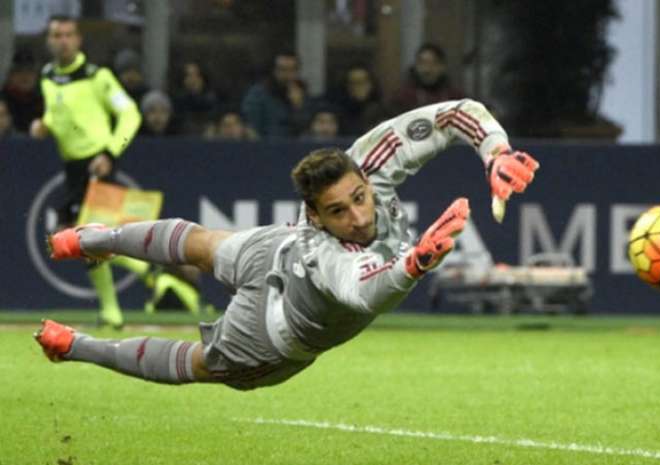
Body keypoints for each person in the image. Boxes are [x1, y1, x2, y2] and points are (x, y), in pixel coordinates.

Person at [35, 99, 539, 390]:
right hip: (273, 327)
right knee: (200, 359)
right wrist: (415, 263)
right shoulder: (326, 251)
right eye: (339, 211)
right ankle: (86, 284)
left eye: (360, 198)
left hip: (283, 285)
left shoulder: (367, 159)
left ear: (364, 176)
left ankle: (81, 293)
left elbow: (457, 114)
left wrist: (495, 153)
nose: (360, 217)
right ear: (314, 215)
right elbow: (365, 293)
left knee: (206, 244)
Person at [29, 16, 142, 328]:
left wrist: (111, 152)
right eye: (56, 35)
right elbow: (57, 114)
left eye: (68, 35)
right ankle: (145, 277)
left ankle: (114, 307)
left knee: (84, 236)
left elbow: (130, 114)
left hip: (98, 162)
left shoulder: (97, 76)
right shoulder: (48, 75)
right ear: (49, 40)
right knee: (77, 238)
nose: (62, 40)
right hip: (72, 167)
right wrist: (45, 125)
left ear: (78, 39)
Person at [241, 51, 311, 138]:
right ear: (274, 71)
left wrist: (298, 107)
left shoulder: (302, 94)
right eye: (283, 70)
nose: (287, 75)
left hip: (296, 147)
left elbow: (305, 129)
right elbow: (252, 127)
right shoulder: (258, 94)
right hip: (266, 146)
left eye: (292, 70)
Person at [392, 43, 465, 114]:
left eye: (433, 63)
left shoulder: (455, 98)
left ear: (442, 66)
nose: (427, 69)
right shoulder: (402, 97)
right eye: (422, 63)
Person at [331, 64, 388, 136]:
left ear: (372, 84)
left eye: (362, 82)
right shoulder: (337, 113)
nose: (358, 87)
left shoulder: (383, 111)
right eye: (353, 83)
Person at [1, 49, 44, 133]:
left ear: (36, 75)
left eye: (29, 71)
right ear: (11, 75)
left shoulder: (43, 99)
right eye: (19, 71)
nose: (25, 76)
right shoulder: (3, 99)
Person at [173, 61, 219, 135]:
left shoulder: (213, 99)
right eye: (189, 75)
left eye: (197, 75)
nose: (193, 79)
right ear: (183, 79)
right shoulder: (177, 101)